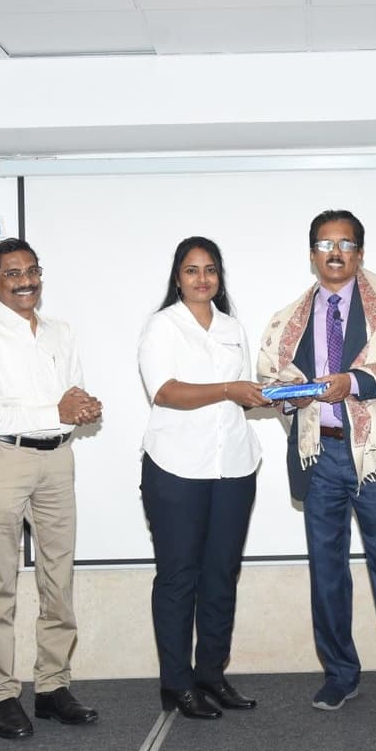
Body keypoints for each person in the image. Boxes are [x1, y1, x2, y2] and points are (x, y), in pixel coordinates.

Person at [258, 209, 376, 713]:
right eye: (326, 244)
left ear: (360, 252)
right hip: (322, 454)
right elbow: (272, 373)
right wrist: (294, 394)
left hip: (375, 455)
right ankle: (339, 673)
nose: (336, 252)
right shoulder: (288, 317)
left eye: (346, 244)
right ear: (312, 254)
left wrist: (351, 381)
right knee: (326, 570)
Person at [0, 238, 102, 740]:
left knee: (57, 581)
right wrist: (53, 413)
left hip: (57, 460)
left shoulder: (61, 331)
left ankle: (52, 687)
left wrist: (82, 408)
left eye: (32, 270)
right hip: (4, 459)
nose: (26, 281)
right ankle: (2, 694)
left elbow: (72, 394)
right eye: (12, 273)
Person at [137, 237, 269, 720]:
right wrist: (230, 388)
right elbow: (166, 392)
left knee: (221, 576)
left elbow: (243, 391)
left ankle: (211, 675)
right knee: (178, 578)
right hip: (175, 468)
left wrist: (269, 393)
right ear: (177, 277)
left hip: (233, 466)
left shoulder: (233, 327)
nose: (202, 279)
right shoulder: (161, 326)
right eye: (192, 270)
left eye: (210, 270)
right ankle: (176, 682)